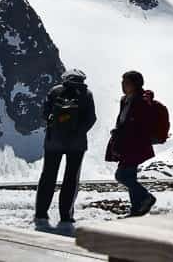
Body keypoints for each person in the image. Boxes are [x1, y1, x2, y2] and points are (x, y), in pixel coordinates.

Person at [34, 69, 96, 233]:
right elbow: (91, 118)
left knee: (48, 175)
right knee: (71, 178)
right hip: (76, 144)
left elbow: (45, 113)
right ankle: (66, 216)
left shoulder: (55, 91)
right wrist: (79, 132)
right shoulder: (87, 94)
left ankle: (41, 213)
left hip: (53, 142)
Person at [106, 70, 157, 217]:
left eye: (126, 82)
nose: (123, 85)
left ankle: (146, 197)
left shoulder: (141, 101)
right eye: (122, 82)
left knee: (121, 176)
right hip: (126, 143)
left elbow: (139, 124)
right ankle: (137, 209)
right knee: (129, 176)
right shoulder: (126, 99)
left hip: (135, 144)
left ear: (135, 84)